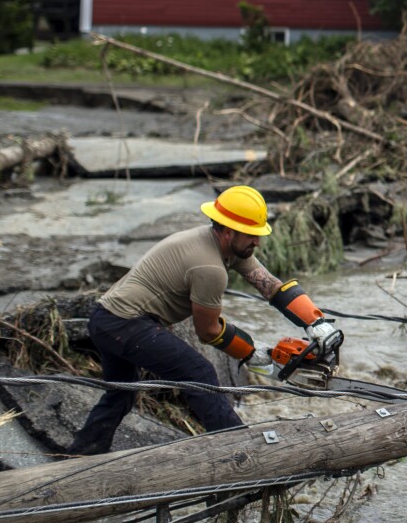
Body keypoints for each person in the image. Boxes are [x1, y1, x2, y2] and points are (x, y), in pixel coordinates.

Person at [66, 185, 337, 456]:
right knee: (199, 374)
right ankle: (240, 454)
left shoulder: (222, 244)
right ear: (229, 231)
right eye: (252, 236)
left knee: (121, 393)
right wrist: (252, 352)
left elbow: (270, 286)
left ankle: (81, 455)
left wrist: (315, 322)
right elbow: (207, 331)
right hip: (125, 324)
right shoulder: (209, 268)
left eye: (258, 235)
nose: (257, 242)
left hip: (106, 319)